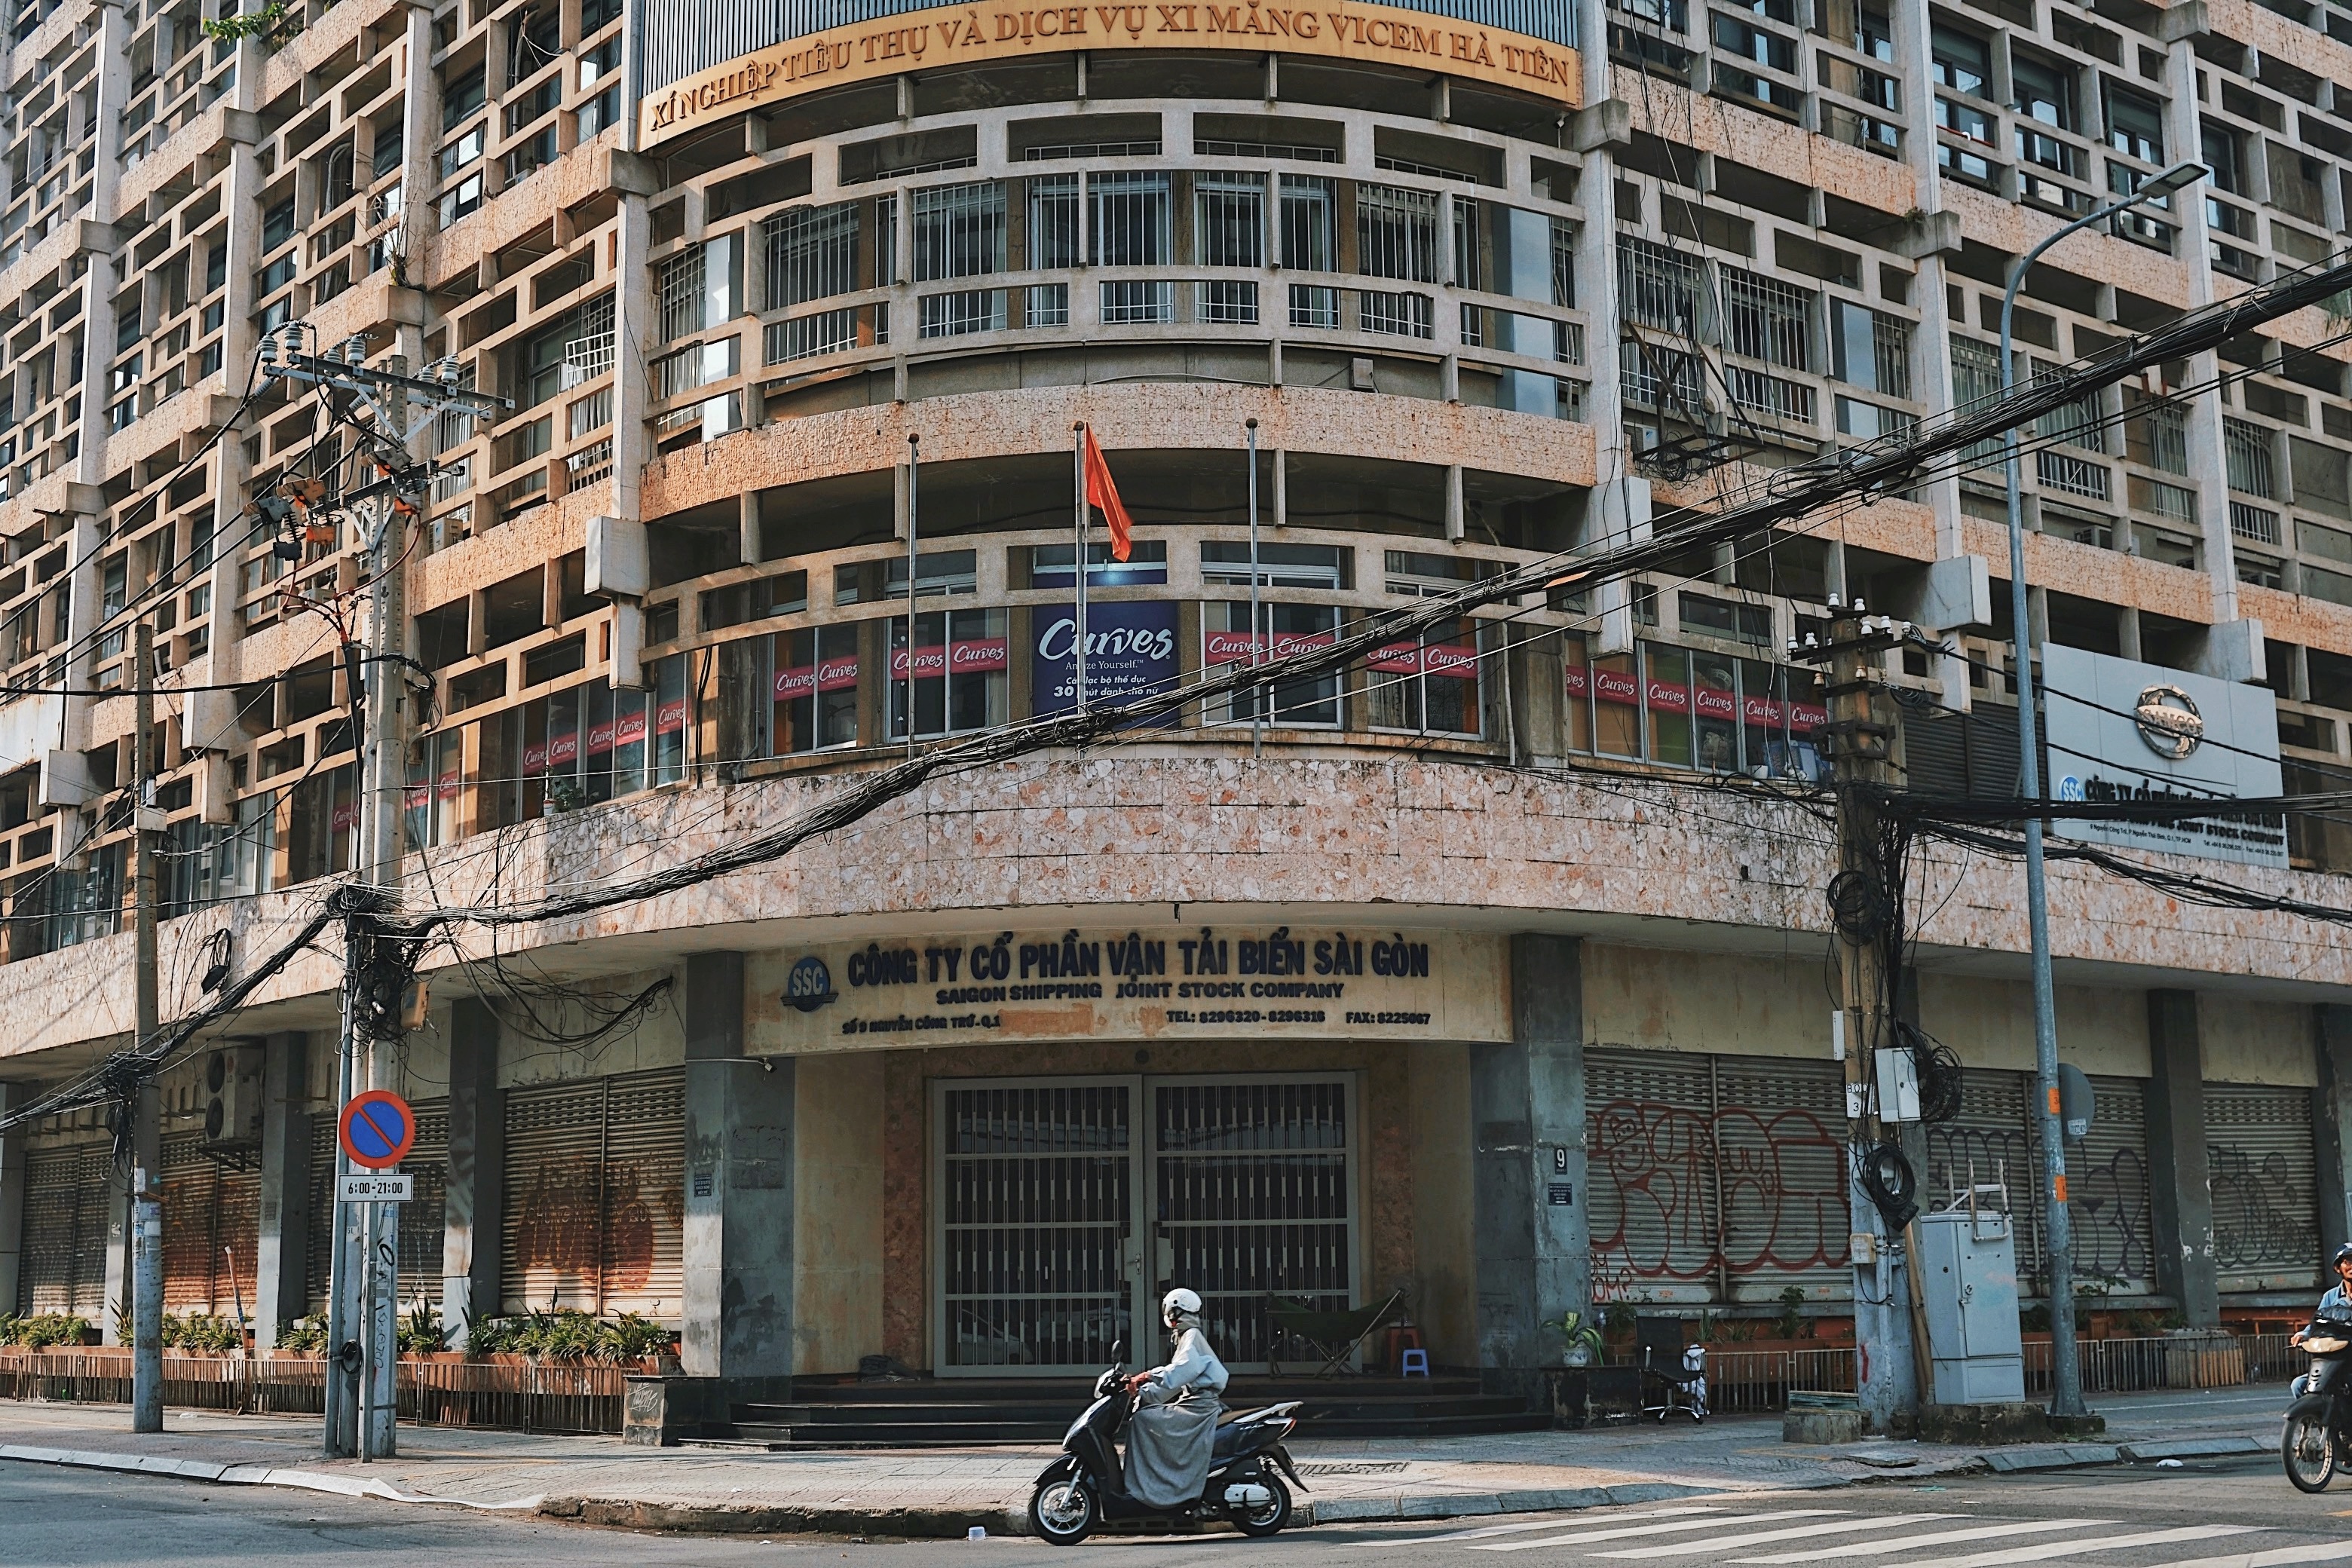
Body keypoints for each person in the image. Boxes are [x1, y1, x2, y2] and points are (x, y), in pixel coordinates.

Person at [1119, 1288, 1230, 1508]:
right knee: (1144, 1416)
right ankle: (1153, 1483)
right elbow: (1173, 1384)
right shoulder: (1187, 1337)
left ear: (1174, 1311)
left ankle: (1156, 1487)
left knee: (1142, 1421)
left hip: (1199, 1408)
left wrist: (1147, 1375)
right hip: (1193, 1403)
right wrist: (1141, 1394)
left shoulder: (1191, 1336)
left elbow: (1181, 1370)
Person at [2294, 1243, 2352, 1345]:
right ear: (2338, 1268)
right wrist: (2304, 1334)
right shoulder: (2331, 1296)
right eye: (2347, 1261)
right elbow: (2318, 1322)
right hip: (2342, 1352)